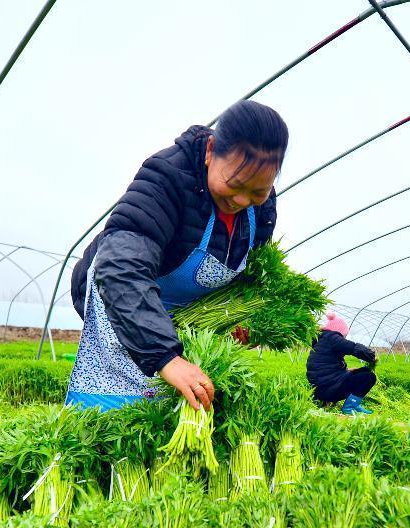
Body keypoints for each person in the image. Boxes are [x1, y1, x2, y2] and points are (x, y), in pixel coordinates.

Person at [66, 100, 287, 411]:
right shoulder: (166, 177)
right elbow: (120, 268)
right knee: (116, 413)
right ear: (211, 151)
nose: (241, 200)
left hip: (183, 316)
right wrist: (166, 357)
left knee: (181, 406)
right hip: (121, 295)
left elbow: (248, 276)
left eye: (258, 191)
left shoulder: (262, 211)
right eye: (235, 184)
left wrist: (237, 318)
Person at [306, 312, 378, 415]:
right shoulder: (333, 338)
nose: (343, 338)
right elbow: (353, 347)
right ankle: (349, 408)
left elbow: (326, 366)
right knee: (369, 377)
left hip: (320, 388)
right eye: (344, 336)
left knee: (364, 371)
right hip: (327, 389)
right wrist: (371, 356)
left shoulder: (321, 340)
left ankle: (355, 405)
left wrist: (347, 371)